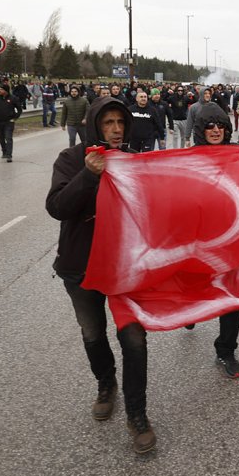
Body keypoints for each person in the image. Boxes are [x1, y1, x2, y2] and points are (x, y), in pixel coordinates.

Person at [46, 97, 155, 454]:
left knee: (135, 341)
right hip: (80, 267)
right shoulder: (71, 160)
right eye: (108, 123)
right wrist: (88, 175)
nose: (116, 129)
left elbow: (171, 193)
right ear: (95, 125)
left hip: (126, 269)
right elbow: (58, 207)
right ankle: (106, 384)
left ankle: (137, 414)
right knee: (93, 333)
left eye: (120, 122)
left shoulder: (134, 161)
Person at [188, 100, 239, 377]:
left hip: (233, 238)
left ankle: (226, 350)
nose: (215, 130)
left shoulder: (238, 152)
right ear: (200, 128)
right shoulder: (188, 157)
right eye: (209, 125)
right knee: (195, 288)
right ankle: (190, 314)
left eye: (220, 125)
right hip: (199, 239)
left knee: (233, 294)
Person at [0, 83, 22, 162]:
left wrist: (14, 118)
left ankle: (9, 155)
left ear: (6, 90)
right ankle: (4, 151)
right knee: (1, 138)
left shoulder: (13, 98)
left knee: (8, 138)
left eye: (1, 89)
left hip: (9, 122)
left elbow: (19, 110)